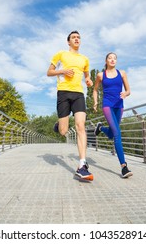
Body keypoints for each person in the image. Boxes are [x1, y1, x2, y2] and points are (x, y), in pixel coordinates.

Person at [47, 30, 94, 181]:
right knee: (63, 131)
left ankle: (82, 165)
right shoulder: (61, 54)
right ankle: (59, 124)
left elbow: (87, 76)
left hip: (78, 94)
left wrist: (88, 81)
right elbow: (49, 72)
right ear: (68, 42)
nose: (76, 39)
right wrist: (63, 71)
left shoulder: (84, 59)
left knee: (81, 126)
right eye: (73, 37)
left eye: (78, 37)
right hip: (63, 92)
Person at [93, 52, 133, 178]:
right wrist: (95, 102)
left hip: (119, 105)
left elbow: (128, 90)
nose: (112, 60)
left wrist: (125, 94)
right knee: (117, 134)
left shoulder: (122, 73)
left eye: (115, 58)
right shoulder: (101, 75)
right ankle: (124, 167)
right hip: (107, 105)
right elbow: (95, 89)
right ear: (106, 60)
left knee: (111, 133)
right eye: (110, 58)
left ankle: (101, 128)